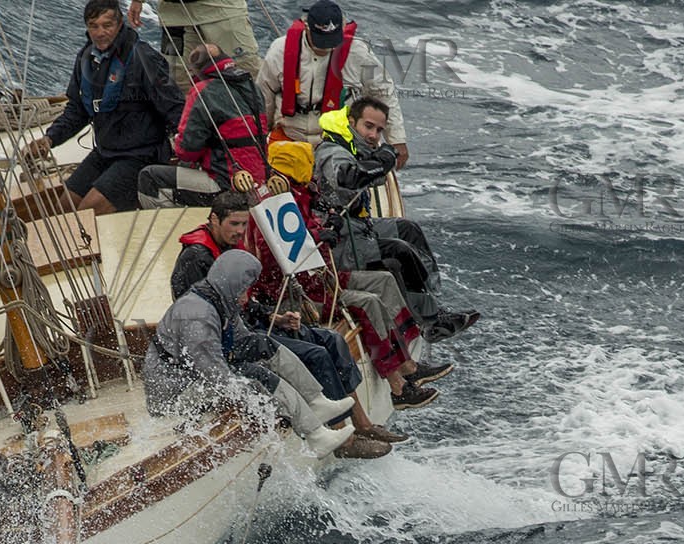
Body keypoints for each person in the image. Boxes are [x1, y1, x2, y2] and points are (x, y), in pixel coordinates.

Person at [255, 140, 448, 409]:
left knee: (384, 280)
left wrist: (328, 224)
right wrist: (317, 236)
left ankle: (408, 363)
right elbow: (277, 253)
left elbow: (311, 226)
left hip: (322, 278)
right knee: (368, 302)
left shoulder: (301, 195)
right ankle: (397, 386)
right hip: (299, 292)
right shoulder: (272, 204)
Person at [145, 250, 389, 459]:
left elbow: (243, 340)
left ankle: (316, 401)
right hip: (175, 394)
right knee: (257, 378)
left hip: (194, 376)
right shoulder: (197, 315)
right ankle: (316, 435)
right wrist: (259, 400)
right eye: (244, 290)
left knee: (263, 342)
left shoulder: (219, 300)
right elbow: (214, 374)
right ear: (231, 285)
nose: (246, 297)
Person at [313, 98, 478, 341]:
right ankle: (429, 321)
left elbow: (375, 176)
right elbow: (348, 178)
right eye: (368, 127)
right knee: (399, 251)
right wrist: (381, 161)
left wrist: (380, 158)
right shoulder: (331, 151)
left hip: (359, 228)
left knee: (408, 229)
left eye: (379, 130)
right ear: (351, 122)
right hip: (338, 241)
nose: (373, 135)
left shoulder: (359, 148)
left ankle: (433, 303)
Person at [23, 0, 184, 216]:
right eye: (94, 26)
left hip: (140, 156)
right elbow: (77, 110)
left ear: (119, 25)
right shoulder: (85, 59)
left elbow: (175, 107)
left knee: (88, 212)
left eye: (107, 25)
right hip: (106, 152)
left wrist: (190, 152)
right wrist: (49, 139)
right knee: (63, 210)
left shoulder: (143, 58)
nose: (100, 33)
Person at [256, 1, 408, 169]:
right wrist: (261, 133)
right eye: (321, 40)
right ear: (307, 27)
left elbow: (383, 92)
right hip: (290, 134)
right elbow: (264, 95)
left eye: (332, 40)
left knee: (340, 182)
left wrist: (397, 139)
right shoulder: (279, 50)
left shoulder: (358, 52)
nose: (326, 46)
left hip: (336, 142)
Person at [137, 43, 268, 210]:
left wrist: (177, 142)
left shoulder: (202, 91)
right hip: (257, 180)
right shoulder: (252, 87)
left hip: (225, 184)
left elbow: (187, 151)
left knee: (150, 178)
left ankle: (180, 227)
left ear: (197, 71)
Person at [124, 0, 263, 93]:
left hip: (221, 11)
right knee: (177, 81)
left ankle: (259, 127)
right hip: (174, 17)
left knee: (244, 74)